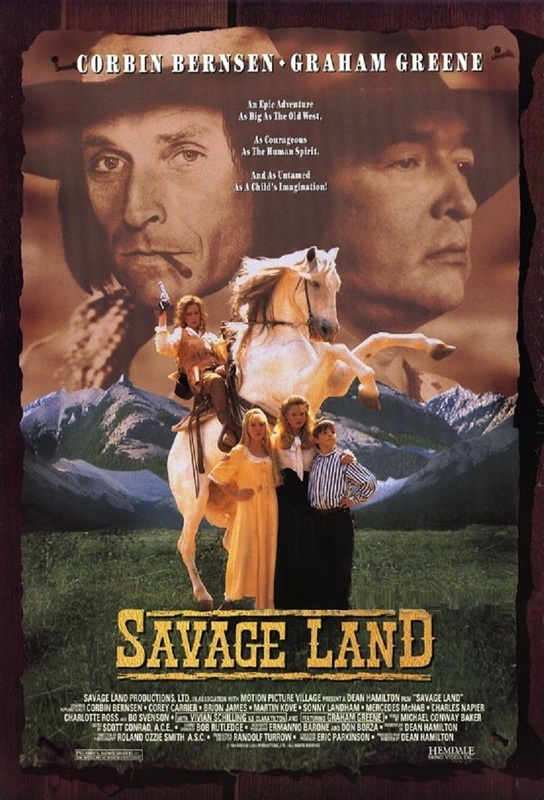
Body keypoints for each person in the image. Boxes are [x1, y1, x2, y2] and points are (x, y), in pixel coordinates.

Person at [20, 28, 278, 396]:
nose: (135, 210)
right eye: (107, 162)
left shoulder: (335, 366)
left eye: (186, 155)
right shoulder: (53, 371)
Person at [208, 408, 280, 610]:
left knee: (268, 547)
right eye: (253, 425)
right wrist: (234, 495)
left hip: (271, 505)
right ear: (246, 429)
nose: (257, 429)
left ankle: (265, 599)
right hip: (248, 506)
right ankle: (230, 598)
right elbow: (217, 477)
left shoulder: (271, 450)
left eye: (261, 425)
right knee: (243, 549)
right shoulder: (239, 452)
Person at [308, 419, 377, 610]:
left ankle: (340, 606)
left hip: (338, 517)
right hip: (317, 518)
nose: (330, 435)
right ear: (316, 440)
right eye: (324, 433)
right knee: (322, 561)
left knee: (341, 562)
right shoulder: (314, 461)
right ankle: (324, 604)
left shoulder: (343, 460)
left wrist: (354, 499)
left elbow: (370, 482)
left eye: (332, 432)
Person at [154, 294, 237, 452]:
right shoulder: (180, 333)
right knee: (216, 381)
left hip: (217, 368)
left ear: (201, 315)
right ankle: (228, 429)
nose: (193, 317)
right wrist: (162, 317)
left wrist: (228, 338)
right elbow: (164, 346)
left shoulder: (209, 337)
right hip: (198, 376)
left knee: (235, 373)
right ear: (183, 317)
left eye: (196, 313)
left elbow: (224, 356)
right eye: (189, 314)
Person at [271, 395, 320, 609]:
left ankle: (309, 597)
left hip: (308, 494)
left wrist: (347, 456)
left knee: (309, 542)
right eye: (294, 414)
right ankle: (285, 599)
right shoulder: (275, 440)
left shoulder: (314, 439)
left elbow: (329, 456)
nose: (299, 417)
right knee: (287, 543)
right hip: (285, 495)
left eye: (302, 414)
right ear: (285, 417)